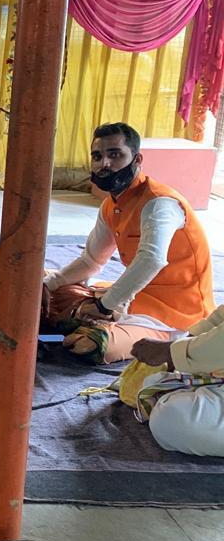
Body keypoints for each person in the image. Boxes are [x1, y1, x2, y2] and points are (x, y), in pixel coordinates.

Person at [44, 122, 212, 364]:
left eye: (115, 154)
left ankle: (165, 338)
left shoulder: (159, 203)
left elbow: (151, 260)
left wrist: (103, 306)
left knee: (89, 345)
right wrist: (49, 284)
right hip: (135, 299)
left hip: (177, 314)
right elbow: (90, 261)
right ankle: (104, 317)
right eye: (97, 156)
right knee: (55, 295)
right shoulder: (111, 205)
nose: (105, 164)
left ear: (137, 159)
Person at [130, 314, 224, 457]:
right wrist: (190, 340)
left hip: (172, 316)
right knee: (153, 383)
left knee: (173, 420)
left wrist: (171, 350)